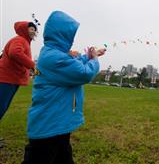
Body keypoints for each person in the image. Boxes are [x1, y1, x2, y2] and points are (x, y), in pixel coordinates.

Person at [22, 11, 106, 164]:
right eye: (70, 36)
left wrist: (90, 56)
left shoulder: (52, 53)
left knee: (63, 156)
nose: (72, 40)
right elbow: (83, 73)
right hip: (48, 127)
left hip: (57, 123)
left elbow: (73, 61)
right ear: (61, 35)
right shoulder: (55, 58)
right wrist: (94, 60)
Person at [0, 21, 37, 148]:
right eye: (31, 28)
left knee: (2, 108)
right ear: (24, 29)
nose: (33, 31)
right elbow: (15, 53)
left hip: (11, 79)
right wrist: (33, 65)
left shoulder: (24, 42)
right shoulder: (20, 39)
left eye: (34, 29)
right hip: (5, 79)